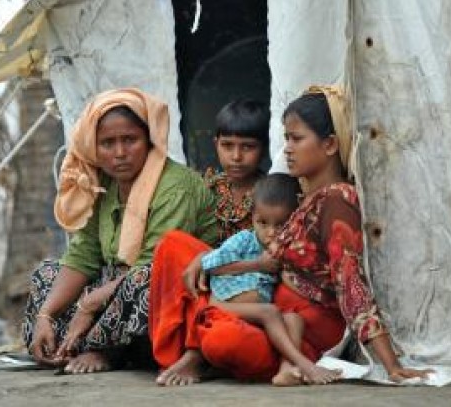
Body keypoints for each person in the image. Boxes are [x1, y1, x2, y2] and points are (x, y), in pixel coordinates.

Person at [150, 85, 431, 386]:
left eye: (296, 139)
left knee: (223, 340)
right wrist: (205, 259)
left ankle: (202, 347)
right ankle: (200, 345)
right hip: (260, 305)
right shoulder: (302, 196)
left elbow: (351, 284)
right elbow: (258, 253)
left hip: (297, 331)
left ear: (330, 144)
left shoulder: (337, 199)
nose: (287, 149)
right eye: (286, 139)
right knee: (174, 245)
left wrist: (392, 366)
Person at [23, 87, 219, 374]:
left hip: (180, 291)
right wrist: (45, 315)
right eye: (108, 143)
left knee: (142, 279)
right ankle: (59, 346)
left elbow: (155, 265)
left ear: (149, 140)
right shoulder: (102, 183)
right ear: (94, 147)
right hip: (117, 284)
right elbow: (83, 255)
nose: (119, 153)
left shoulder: (175, 186)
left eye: (130, 140)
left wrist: (89, 305)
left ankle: (104, 350)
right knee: (47, 273)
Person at [195, 173, 340, 385]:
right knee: (271, 312)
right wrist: (257, 265)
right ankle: (304, 364)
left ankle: (286, 370)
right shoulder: (244, 240)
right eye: (262, 223)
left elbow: (292, 281)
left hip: (254, 313)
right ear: (252, 216)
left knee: (293, 318)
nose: (270, 232)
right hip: (223, 305)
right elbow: (211, 265)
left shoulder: (288, 249)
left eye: (280, 225)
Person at [204, 98, 269, 241]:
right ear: (216, 145)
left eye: (248, 147)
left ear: (264, 149)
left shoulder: (271, 194)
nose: (236, 156)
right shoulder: (208, 188)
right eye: (227, 145)